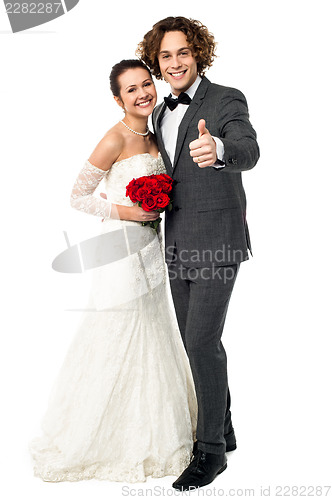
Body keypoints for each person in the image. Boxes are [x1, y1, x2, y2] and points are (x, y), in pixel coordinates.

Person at [29, 59, 197, 483]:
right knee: (118, 331)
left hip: (153, 246)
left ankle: (154, 428)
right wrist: (130, 210)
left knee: (154, 329)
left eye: (146, 84)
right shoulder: (114, 137)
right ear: (118, 99)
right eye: (131, 90)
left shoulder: (158, 129)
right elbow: (78, 196)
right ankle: (98, 437)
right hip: (122, 247)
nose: (142, 93)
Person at [137, 16, 260, 490]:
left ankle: (209, 452)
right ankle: (224, 428)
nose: (174, 63)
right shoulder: (159, 111)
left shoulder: (226, 98)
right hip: (177, 241)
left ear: (198, 54)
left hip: (218, 239)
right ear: (157, 60)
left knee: (202, 342)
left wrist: (220, 148)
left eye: (182, 53)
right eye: (165, 55)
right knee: (195, 342)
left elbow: (249, 148)